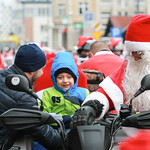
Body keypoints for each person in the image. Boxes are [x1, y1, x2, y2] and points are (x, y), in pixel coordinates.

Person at [70, 14, 150, 128]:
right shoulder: (128, 67)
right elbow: (106, 92)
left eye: (140, 54)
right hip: (129, 134)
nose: (135, 59)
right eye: (132, 54)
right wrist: (91, 107)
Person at [0, 43, 62, 150]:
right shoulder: (24, 98)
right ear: (33, 69)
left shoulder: (2, 75)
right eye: (42, 68)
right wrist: (67, 139)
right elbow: (47, 137)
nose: (42, 73)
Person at [37, 51, 89, 129]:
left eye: (69, 77)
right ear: (55, 79)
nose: (65, 80)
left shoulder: (84, 93)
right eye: (60, 77)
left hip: (78, 130)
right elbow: (44, 115)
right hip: (55, 130)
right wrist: (61, 120)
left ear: (75, 78)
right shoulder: (47, 93)